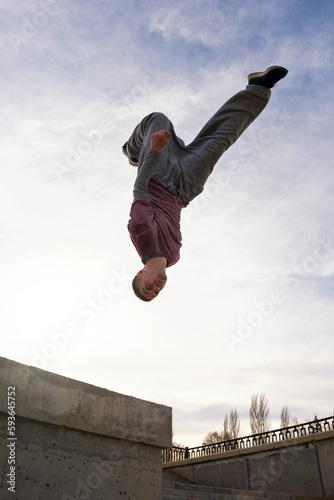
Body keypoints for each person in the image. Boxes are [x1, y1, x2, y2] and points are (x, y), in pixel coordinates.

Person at [123, 66, 288, 301]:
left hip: (157, 176)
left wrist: (153, 152)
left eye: (149, 287)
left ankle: (132, 150)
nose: (156, 287)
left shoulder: (142, 237)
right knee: (221, 139)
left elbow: (139, 188)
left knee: (158, 120)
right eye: (157, 292)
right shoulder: (174, 257)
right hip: (186, 187)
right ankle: (258, 88)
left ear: (141, 272)